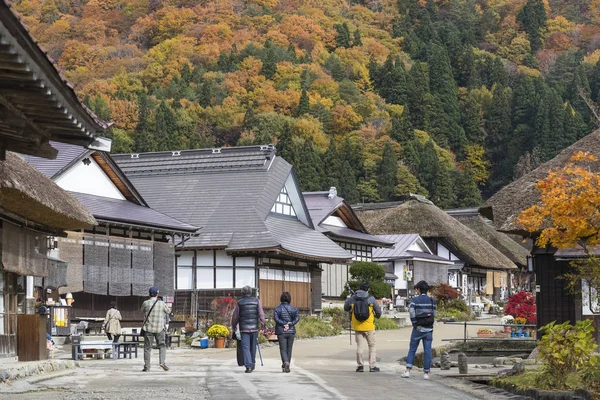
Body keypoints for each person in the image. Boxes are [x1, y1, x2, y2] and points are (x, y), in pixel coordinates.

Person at [401, 280, 437, 380]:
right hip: (429, 329)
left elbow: (412, 313)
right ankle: (426, 373)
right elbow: (434, 314)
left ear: (419, 290)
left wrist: (415, 325)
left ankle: (408, 370)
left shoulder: (415, 300)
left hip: (418, 329)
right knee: (428, 351)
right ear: (427, 290)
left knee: (412, 349)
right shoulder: (432, 300)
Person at [344, 280, 382, 372]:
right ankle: (372, 366)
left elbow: (346, 308)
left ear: (360, 288)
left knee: (360, 346)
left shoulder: (353, 298)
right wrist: (376, 316)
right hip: (369, 326)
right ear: (368, 289)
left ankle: (360, 366)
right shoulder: (371, 299)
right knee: (372, 346)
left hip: (357, 327)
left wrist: (348, 299)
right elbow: (378, 312)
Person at [231, 285, 265, 373]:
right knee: (253, 347)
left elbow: (235, 317)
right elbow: (261, 314)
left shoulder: (240, 302)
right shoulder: (257, 301)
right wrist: (263, 325)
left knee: (245, 347)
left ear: (242, 293)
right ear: (251, 292)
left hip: (244, 328)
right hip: (254, 328)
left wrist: (234, 326)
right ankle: (252, 364)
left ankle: (248, 366)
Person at [141, 286, 170, 372]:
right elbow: (168, 311)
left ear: (149, 294)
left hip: (148, 328)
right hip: (159, 328)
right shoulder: (162, 303)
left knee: (147, 348)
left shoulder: (145, 303)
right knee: (162, 345)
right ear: (157, 294)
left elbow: (142, 311)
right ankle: (162, 361)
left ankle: (147, 367)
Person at [274, 291, 300, 373]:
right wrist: (290, 324)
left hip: (281, 331)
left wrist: (283, 324)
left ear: (281, 299)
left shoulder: (277, 309)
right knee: (289, 349)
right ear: (289, 299)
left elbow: (276, 319)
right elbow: (297, 318)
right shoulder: (294, 309)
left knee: (283, 349)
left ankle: (286, 363)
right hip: (291, 331)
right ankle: (287, 363)